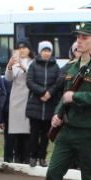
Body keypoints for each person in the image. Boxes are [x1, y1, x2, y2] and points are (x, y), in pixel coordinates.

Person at [43, 23, 91, 180]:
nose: (79, 41)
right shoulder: (71, 67)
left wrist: (77, 97)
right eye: (78, 37)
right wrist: (57, 114)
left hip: (87, 132)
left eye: (84, 37)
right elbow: (64, 94)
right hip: (66, 131)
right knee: (52, 175)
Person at [25, 40, 62, 169]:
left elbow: (58, 83)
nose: (46, 53)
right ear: (40, 52)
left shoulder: (55, 66)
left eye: (48, 51)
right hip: (35, 104)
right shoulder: (33, 65)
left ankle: (42, 157)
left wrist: (50, 93)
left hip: (49, 105)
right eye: (44, 50)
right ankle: (33, 156)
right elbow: (29, 81)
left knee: (46, 134)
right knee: (34, 133)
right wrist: (41, 92)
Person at [4, 42, 32, 165]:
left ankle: (26, 156)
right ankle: (16, 157)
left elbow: (32, 75)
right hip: (16, 100)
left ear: (29, 49)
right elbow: (8, 78)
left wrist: (23, 66)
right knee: (15, 131)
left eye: (24, 48)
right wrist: (10, 66)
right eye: (19, 48)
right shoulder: (14, 62)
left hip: (29, 99)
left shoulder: (33, 62)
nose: (22, 50)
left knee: (27, 131)